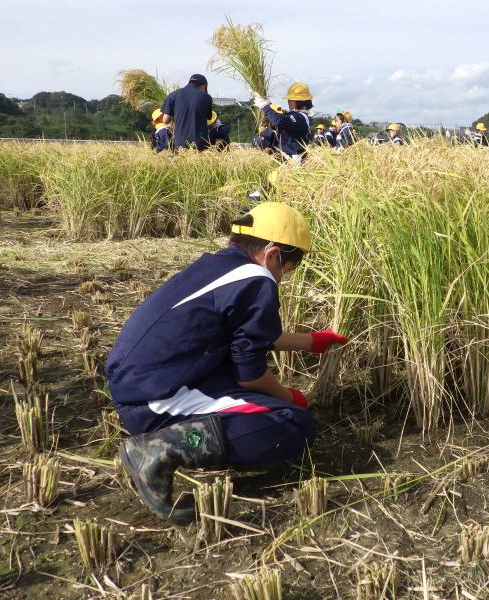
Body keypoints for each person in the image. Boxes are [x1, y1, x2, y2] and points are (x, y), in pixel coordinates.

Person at [107, 202, 349, 523]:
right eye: (289, 267)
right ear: (272, 253)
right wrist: (291, 398)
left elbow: (247, 334)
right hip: (158, 400)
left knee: (262, 403)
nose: (284, 275)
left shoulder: (219, 266)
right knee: (292, 424)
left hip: (141, 385)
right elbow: (249, 374)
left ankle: (171, 438)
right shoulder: (257, 279)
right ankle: (160, 449)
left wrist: (310, 341)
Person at [253, 83, 313, 162]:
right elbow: (280, 122)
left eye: (291, 100)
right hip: (288, 159)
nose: (288, 102)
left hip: (295, 162)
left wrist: (265, 106)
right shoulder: (297, 116)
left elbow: (279, 121)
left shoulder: (300, 117)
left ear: (299, 101)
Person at [160, 74, 213, 151]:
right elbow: (208, 118)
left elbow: (165, 120)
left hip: (180, 142)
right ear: (203, 86)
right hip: (200, 143)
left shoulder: (173, 95)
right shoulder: (206, 97)